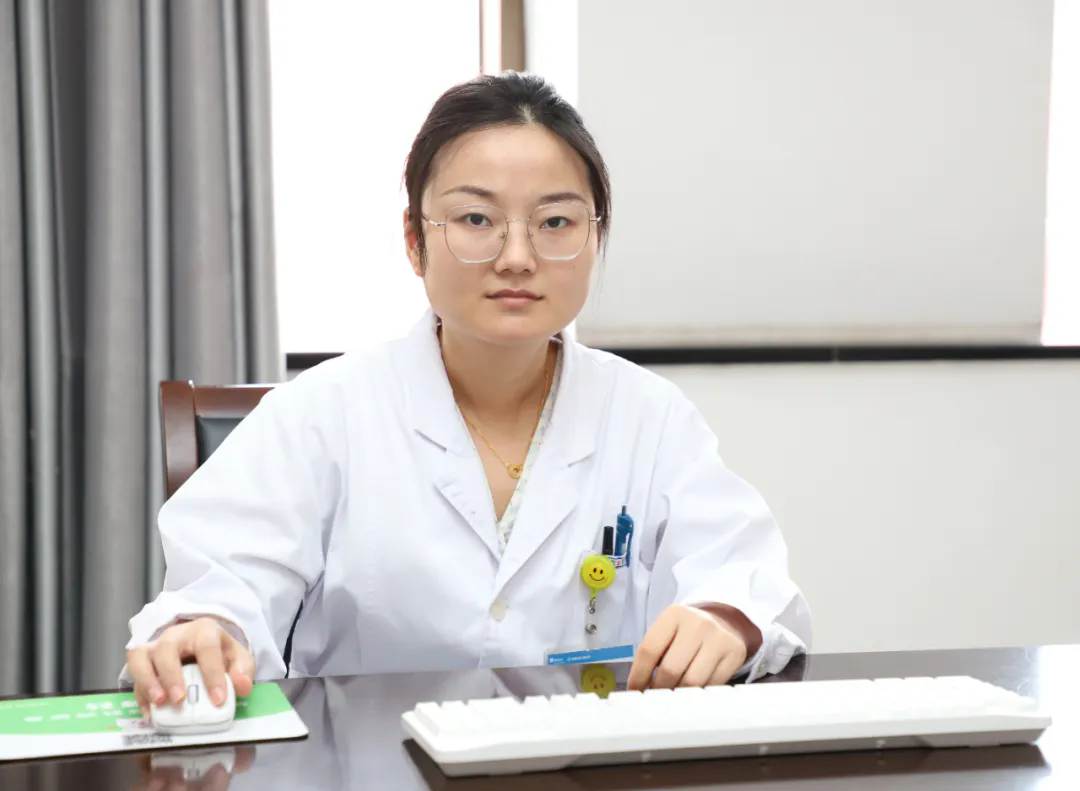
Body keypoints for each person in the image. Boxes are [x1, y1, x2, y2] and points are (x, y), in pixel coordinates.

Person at [124, 71, 811, 716]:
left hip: (583, 766)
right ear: (414, 241)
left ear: (595, 238)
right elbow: (225, 583)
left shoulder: (649, 416)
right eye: (477, 219)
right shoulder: (319, 414)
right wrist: (206, 630)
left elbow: (743, 575)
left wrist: (725, 617)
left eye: (556, 222)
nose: (517, 257)